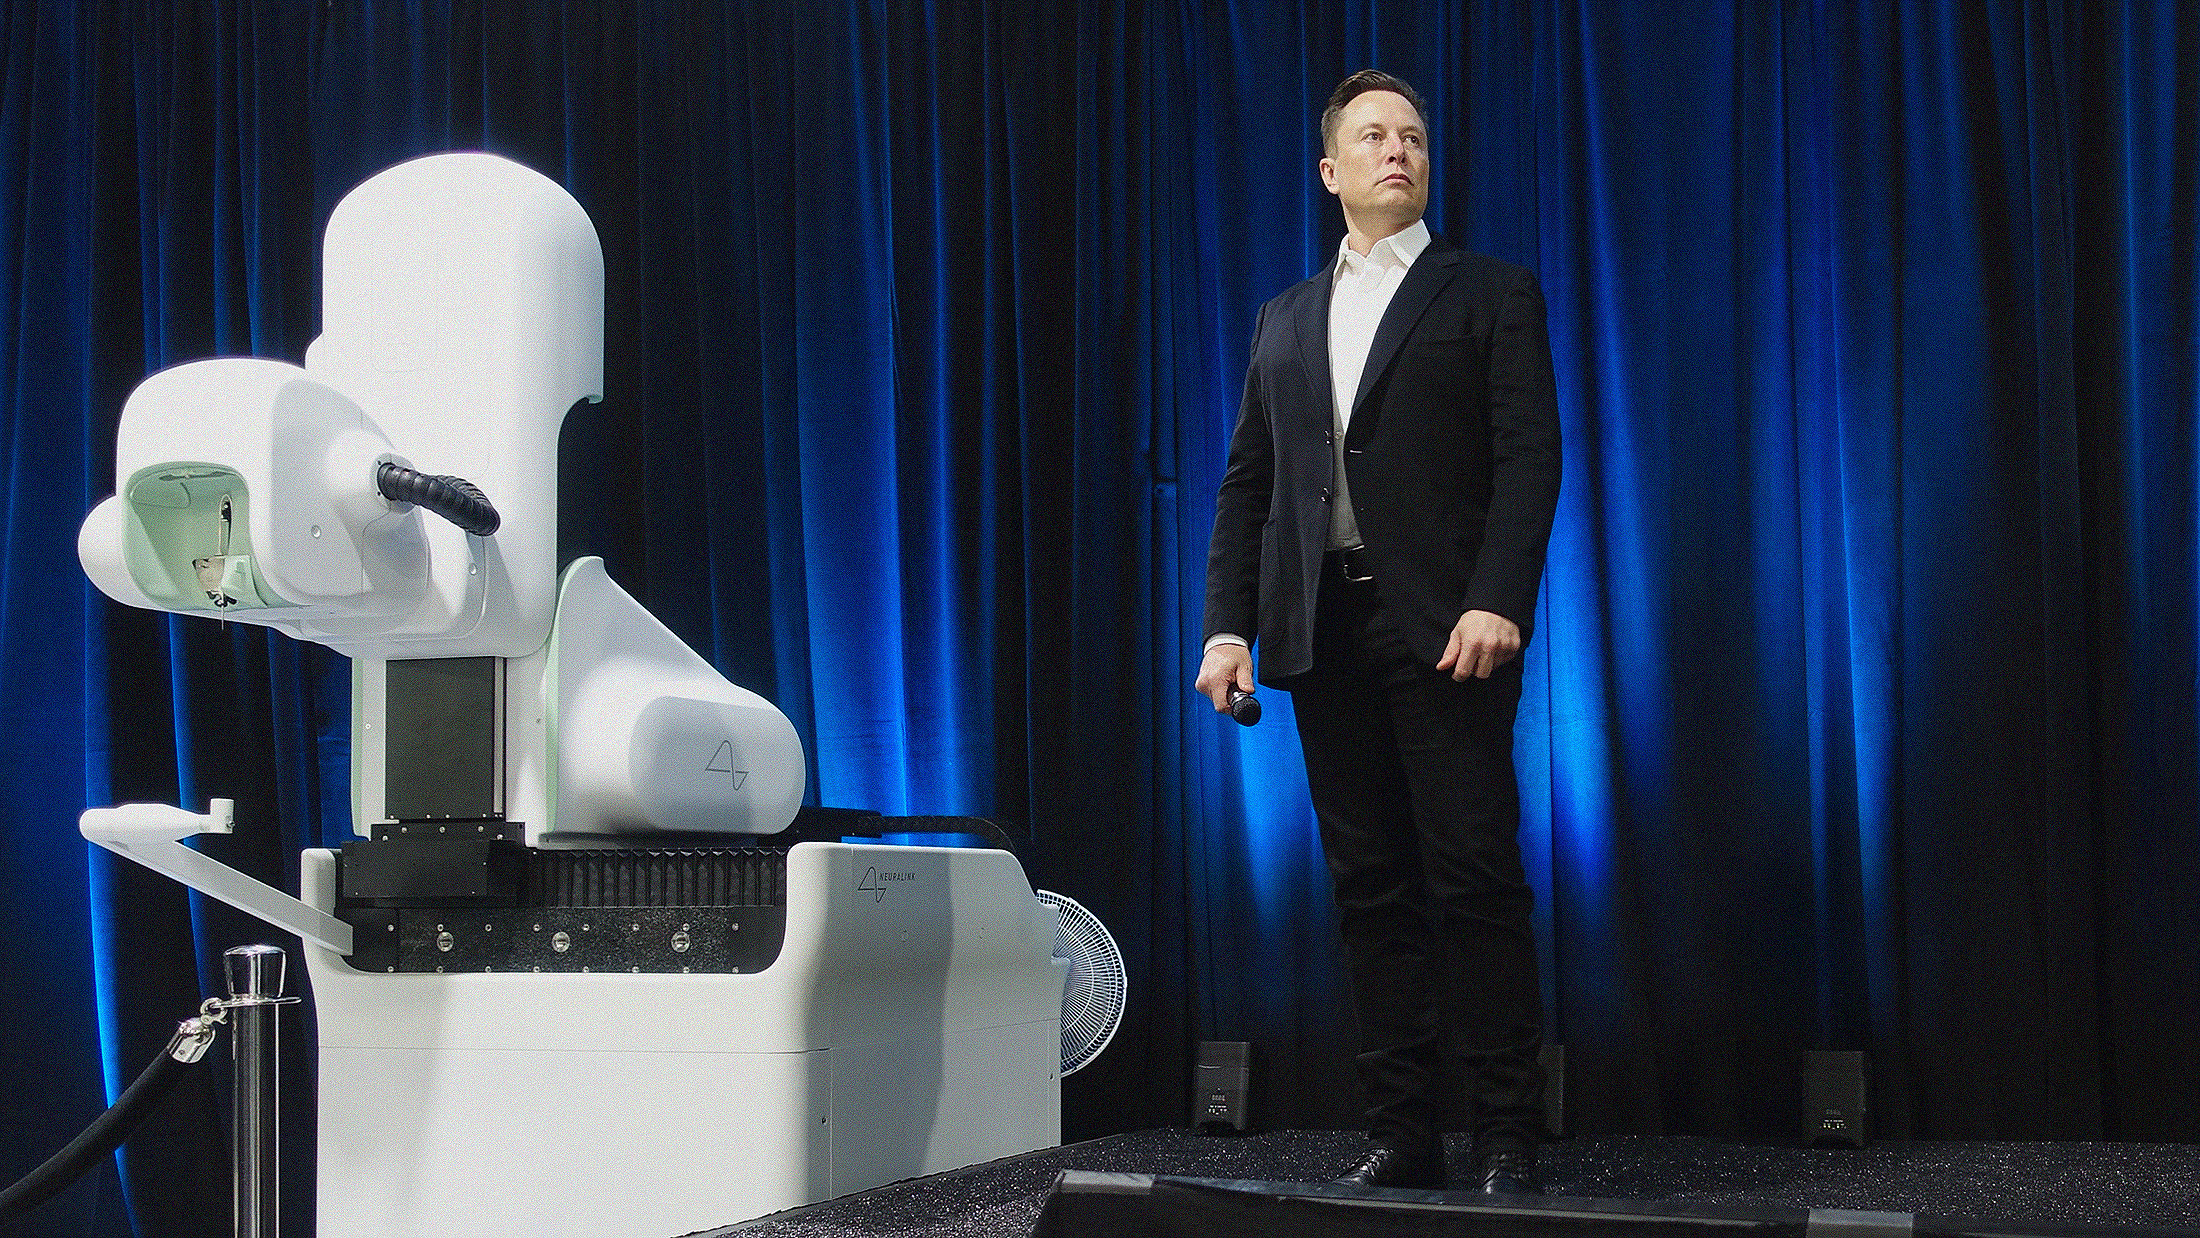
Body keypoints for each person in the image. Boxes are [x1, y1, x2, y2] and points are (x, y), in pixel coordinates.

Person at [1195, 69, 1562, 1194]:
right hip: (1324, 630)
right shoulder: (1284, 316)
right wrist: (1226, 630)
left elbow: (1528, 458)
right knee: (1370, 889)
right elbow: (1248, 485)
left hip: (1447, 627)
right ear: (1330, 171)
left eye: (1410, 135)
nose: (1396, 149)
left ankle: (1506, 1133)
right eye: (1371, 136)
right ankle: (1400, 1131)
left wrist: (1497, 595)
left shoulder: (1487, 291)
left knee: (1473, 877)